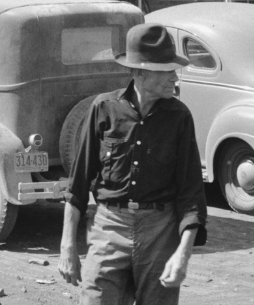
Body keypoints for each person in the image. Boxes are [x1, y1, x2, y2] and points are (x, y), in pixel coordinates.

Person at [59, 24, 207, 304]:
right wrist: (67, 245)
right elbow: (77, 186)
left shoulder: (179, 117)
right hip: (108, 227)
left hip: (160, 232)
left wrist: (182, 254)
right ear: (140, 73)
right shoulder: (104, 109)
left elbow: (191, 194)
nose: (174, 77)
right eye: (166, 70)